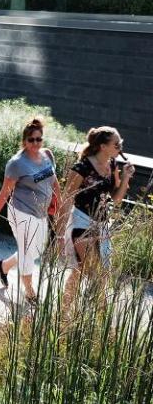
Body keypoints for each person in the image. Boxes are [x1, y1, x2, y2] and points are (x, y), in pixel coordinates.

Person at [0, 118, 62, 304]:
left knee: (36, 250)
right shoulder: (17, 163)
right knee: (27, 252)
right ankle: (30, 293)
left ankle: (4, 266)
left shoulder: (47, 155)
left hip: (41, 212)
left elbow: (54, 181)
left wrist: (59, 202)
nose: (35, 143)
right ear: (24, 141)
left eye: (39, 139)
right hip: (21, 211)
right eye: (31, 140)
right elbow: (5, 192)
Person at [57, 126, 135, 297]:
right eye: (117, 144)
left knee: (87, 272)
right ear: (103, 146)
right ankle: (89, 307)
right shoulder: (82, 167)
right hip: (81, 221)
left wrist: (126, 178)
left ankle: (67, 310)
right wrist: (60, 234)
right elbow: (67, 199)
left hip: (102, 223)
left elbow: (116, 199)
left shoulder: (113, 164)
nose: (120, 147)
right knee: (92, 270)